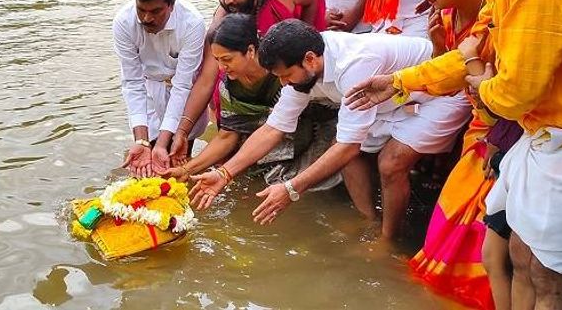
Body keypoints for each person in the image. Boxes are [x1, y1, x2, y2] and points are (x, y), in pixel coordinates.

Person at [348, 0, 562, 306]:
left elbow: (512, 94)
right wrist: (399, 82)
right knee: (520, 254)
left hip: (559, 140)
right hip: (538, 138)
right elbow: (470, 53)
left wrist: (478, 85)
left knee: (549, 278)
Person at [188, 20, 470, 240]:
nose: (284, 84)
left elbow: (349, 147)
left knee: (390, 163)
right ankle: (368, 219)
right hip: (389, 103)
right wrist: (224, 173)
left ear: (310, 60)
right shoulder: (303, 68)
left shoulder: (354, 66)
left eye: (286, 76)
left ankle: (388, 239)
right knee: (345, 146)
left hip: (438, 94)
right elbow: (274, 128)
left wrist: (291, 189)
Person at [345, 0, 511, 309]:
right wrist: (438, 47)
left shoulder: (494, 26)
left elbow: (494, 89)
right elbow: (448, 72)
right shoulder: (448, 17)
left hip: (501, 128)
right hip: (472, 117)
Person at [168, 0, 326, 162]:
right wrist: (183, 131)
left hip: (285, 83)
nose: (228, 1)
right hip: (245, 90)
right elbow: (207, 78)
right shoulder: (222, 20)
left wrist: (308, 33)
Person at [163, 14, 340, 190]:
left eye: (227, 59)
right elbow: (228, 135)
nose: (221, 68)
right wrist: (186, 170)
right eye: (217, 60)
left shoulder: (285, 73)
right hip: (265, 143)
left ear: (250, 51)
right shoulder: (228, 86)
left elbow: (280, 124)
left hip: (312, 135)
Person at [113, 0, 207, 178]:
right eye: (141, 10)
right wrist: (142, 141)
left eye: (156, 11)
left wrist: (164, 144)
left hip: (184, 91)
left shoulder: (192, 24)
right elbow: (132, 82)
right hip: (148, 87)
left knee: (177, 156)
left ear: (171, 5)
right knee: (145, 159)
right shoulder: (123, 22)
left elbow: (183, 85)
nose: (147, 18)